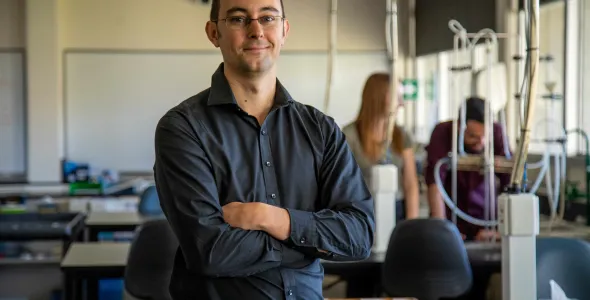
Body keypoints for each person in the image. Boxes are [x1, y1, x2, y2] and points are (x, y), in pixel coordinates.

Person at [152, 1, 375, 300]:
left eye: (268, 17)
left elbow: (359, 235)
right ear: (213, 32)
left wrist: (269, 218)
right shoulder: (182, 129)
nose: (256, 30)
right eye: (237, 19)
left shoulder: (321, 130)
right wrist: (307, 240)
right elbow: (211, 251)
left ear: (284, 30)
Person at [424, 96, 511, 241]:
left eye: (485, 136)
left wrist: (503, 230)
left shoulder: (497, 132)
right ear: (459, 126)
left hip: (488, 221)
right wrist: (443, 231)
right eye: (473, 136)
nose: (480, 142)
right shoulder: (443, 132)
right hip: (452, 220)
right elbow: (435, 182)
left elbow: (510, 184)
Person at [342, 73, 420, 222]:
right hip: (362, 213)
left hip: (397, 211)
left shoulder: (401, 136)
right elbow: (343, 184)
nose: (401, 104)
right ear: (378, 97)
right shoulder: (350, 135)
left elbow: (410, 183)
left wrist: (411, 223)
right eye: (397, 97)